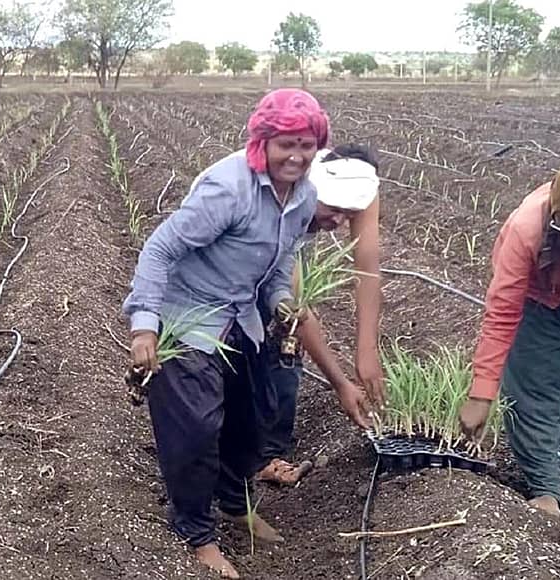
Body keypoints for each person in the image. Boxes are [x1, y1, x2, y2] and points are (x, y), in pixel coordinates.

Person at [122, 89, 370, 579]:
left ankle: (235, 504)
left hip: (240, 321)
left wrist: (281, 303)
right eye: (285, 145)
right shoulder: (228, 189)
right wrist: (145, 326)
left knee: (251, 422)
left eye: (306, 145)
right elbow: (158, 250)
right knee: (195, 432)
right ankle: (196, 533)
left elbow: (278, 265)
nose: (295, 155)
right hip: (189, 319)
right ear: (262, 142)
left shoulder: (303, 198)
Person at [459, 162, 560, 517]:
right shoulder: (527, 228)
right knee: (537, 387)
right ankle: (546, 487)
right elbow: (503, 312)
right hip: (541, 300)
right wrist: (482, 392)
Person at [255, 145, 383, 485]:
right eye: (335, 210)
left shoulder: (359, 187)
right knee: (274, 332)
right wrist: (339, 382)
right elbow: (298, 307)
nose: (340, 222)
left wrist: (366, 349)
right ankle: (241, 461)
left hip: (289, 260)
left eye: (349, 213)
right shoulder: (288, 192)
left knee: (286, 345)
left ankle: (270, 454)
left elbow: (367, 267)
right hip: (251, 258)